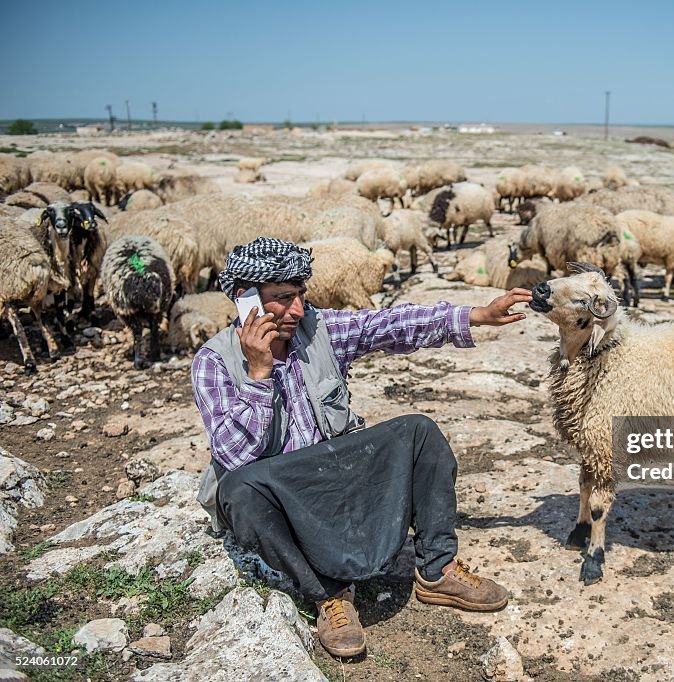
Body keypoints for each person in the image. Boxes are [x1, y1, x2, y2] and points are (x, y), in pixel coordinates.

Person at [190, 237, 532, 658]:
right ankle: (330, 596)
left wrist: (476, 315)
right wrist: (259, 376)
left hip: (332, 473)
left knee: (418, 432)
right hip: (282, 493)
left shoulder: (317, 330)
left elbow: (388, 325)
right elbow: (235, 457)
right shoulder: (214, 360)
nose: (296, 310)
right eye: (281, 299)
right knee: (238, 489)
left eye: (300, 296)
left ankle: (437, 568)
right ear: (246, 301)